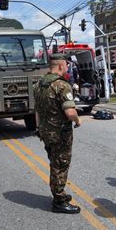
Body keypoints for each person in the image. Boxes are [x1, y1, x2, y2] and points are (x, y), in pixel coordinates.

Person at [34, 53, 82, 214]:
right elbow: (70, 112)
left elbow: (37, 111)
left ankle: (58, 193)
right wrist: (77, 120)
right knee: (60, 165)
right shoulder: (62, 86)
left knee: (54, 163)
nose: (67, 68)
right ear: (61, 66)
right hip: (60, 133)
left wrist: (38, 128)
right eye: (66, 65)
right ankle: (59, 200)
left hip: (45, 132)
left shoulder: (39, 84)